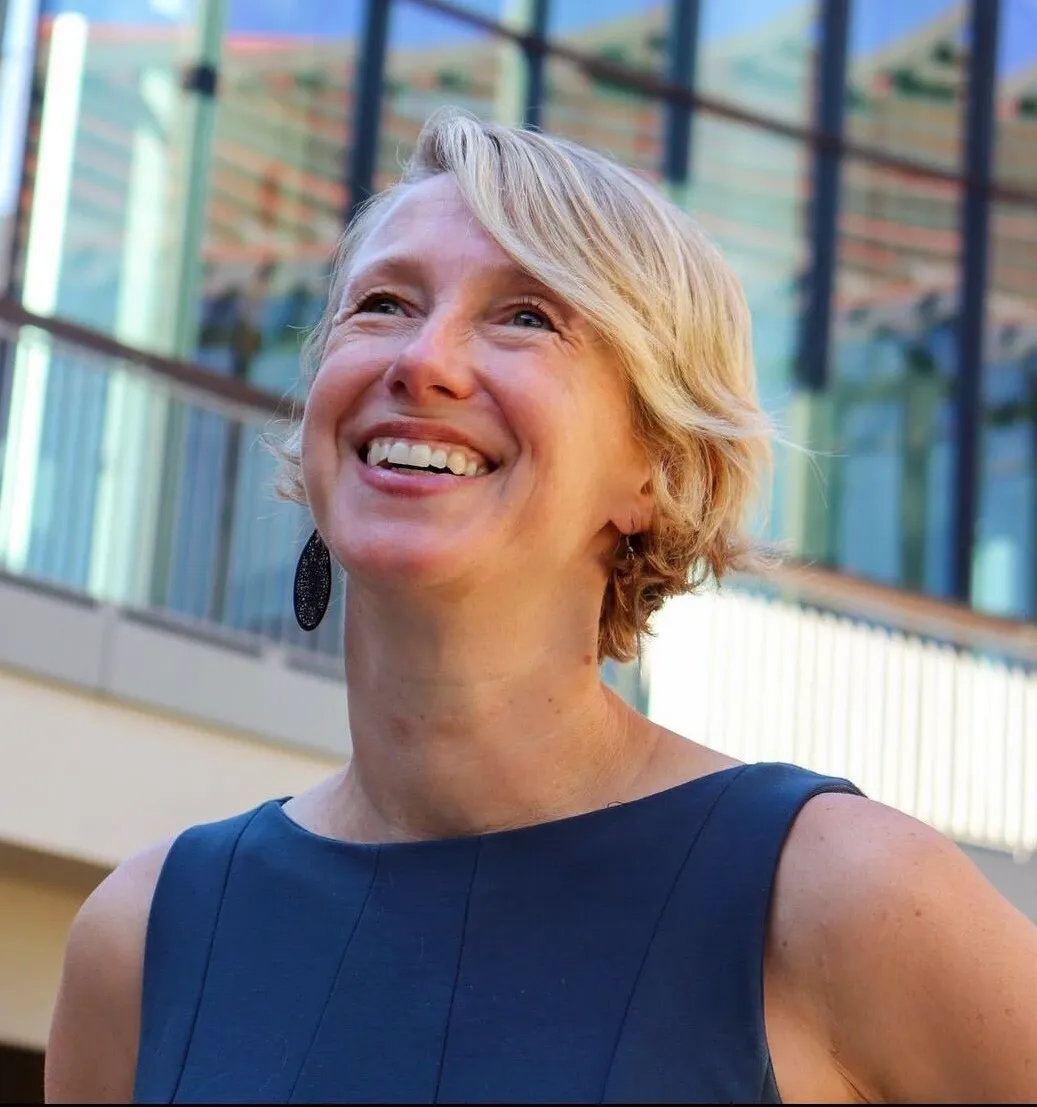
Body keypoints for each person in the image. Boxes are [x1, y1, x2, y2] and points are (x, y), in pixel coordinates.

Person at [45, 109, 1037, 1105]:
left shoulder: (840, 896)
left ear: (656, 470)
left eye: (526, 316)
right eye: (384, 303)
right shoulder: (145, 939)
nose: (423, 360)